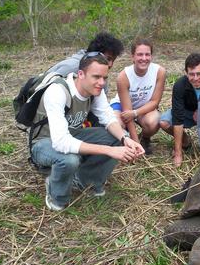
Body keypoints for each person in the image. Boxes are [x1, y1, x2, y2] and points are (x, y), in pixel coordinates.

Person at [31, 53, 145, 211]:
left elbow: (108, 118)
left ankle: (85, 181)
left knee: (115, 137)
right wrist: (110, 151)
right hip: (44, 143)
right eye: (96, 77)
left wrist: (126, 139)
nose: (101, 83)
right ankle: (56, 195)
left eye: (104, 77)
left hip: (72, 135)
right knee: (69, 160)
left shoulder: (95, 91)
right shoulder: (58, 91)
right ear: (81, 74)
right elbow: (61, 142)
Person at [110, 38, 166, 155]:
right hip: (122, 107)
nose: (144, 58)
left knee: (154, 121)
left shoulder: (159, 72)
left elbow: (155, 102)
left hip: (143, 107)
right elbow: (127, 112)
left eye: (147, 54)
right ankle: (128, 140)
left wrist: (135, 113)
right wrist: (136, 145)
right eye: (140, 54)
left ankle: (144, 139)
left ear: (151, 56)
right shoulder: (123, 76)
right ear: (133, 56)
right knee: (116, 123)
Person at [46, 31, 124, 96]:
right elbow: (44, 89)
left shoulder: (102, 75)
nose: (110, 64)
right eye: (108, 59)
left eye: (113, 60)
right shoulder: (72, 67)